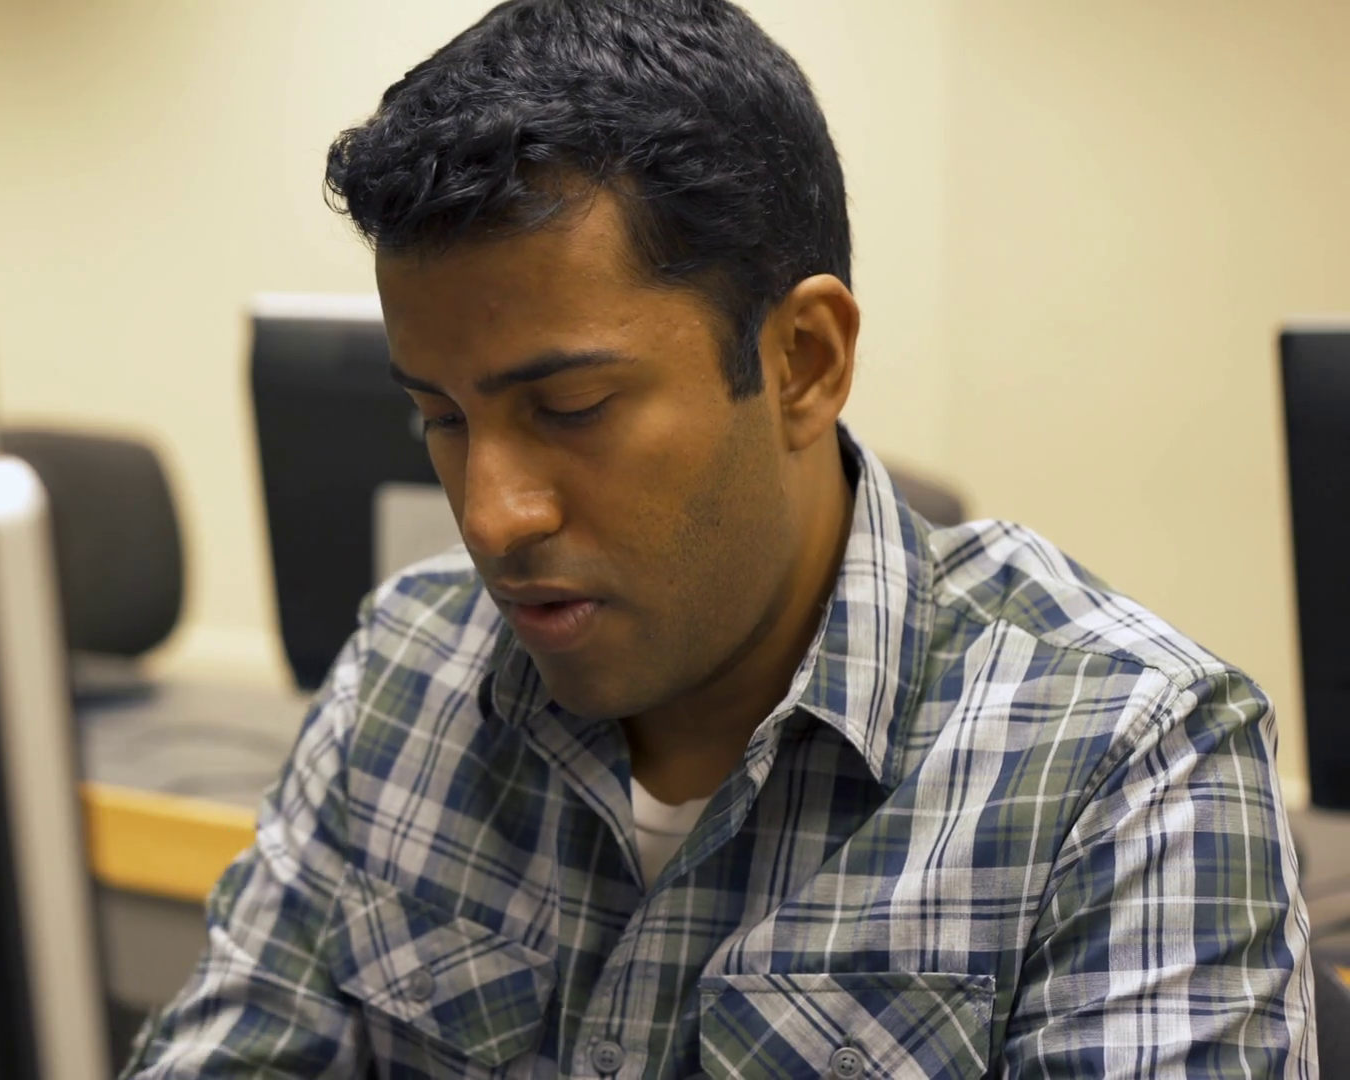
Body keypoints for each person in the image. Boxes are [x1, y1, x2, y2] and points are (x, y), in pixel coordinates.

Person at [125, 0, 1315, 1075]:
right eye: (439, 417)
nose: (491, 516)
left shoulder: (1127, 761)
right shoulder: (406, 662)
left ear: (804, 361)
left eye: (573, 409)